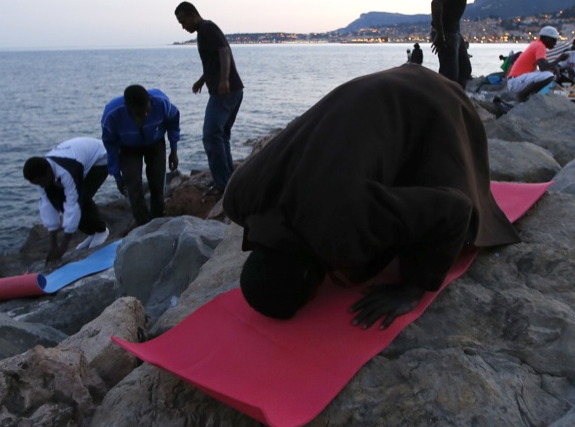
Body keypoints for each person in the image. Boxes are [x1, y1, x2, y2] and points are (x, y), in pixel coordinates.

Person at [222, 67, 520, 330]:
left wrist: (413, 287)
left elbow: (455, 209)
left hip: (436, 101)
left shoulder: (343, 223)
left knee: (455, 199)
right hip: (378, 86)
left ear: (308, 276)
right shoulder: (237, 198)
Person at [175, 1, 244, 194]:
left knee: (211, 135)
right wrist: (201, 80)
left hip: (226, 92)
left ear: (192, 15)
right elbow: (213, 61)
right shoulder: (204, 31)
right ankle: (229, 180)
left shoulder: (207, 28)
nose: (183, 26)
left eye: (183, 21)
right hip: (232, 91)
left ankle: (222, 184)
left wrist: (223, 81)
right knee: (221, 136)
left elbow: (224, 52)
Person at [101, 85, 181, 226]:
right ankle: (144, 226)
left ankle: (158, 222)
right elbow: (110, 145)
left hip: (155, 142)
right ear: (128, 108)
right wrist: (117, 175)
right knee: (133, 189)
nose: (144, 115)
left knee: (157, 185)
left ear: (150, 101)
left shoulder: (161, 103)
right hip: (128, 148)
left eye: (147, 111)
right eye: (138, 113)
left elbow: (173, 121)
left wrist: (173, 150)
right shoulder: (112, 114)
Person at [23, 137, 109, 263]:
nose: (40, 185)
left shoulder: (67, 170)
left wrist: (63, 247)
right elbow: (47, 206)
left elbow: (73, 204)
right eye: (37, 183)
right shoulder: (40, 174)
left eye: (41, 182)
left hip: (100, 159)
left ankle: (101, 230)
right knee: (57, 200)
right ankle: (92, 232)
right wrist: (53, 245)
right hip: (79, 161)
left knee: (82, 199)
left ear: (48, 172)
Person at [430, 0, 487, 88]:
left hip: (454, 32)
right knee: (449, 77)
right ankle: (444, 104)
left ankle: (458, 100)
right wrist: (440, 34)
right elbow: (436, 3)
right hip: (446, 33)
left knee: (465, 70)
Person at [505, 26, 561, 100]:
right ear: (545, 38)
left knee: (549, 73)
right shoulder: (540, 46)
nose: (555, 43)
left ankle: (532, 94)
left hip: (516, 80)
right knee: (549, 75)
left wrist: (555, 67)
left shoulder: (536, 44)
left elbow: (545, 65)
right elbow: (543, 67)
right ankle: (522, 96)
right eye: (553, 40)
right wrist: (558, 61)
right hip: (516, 82)